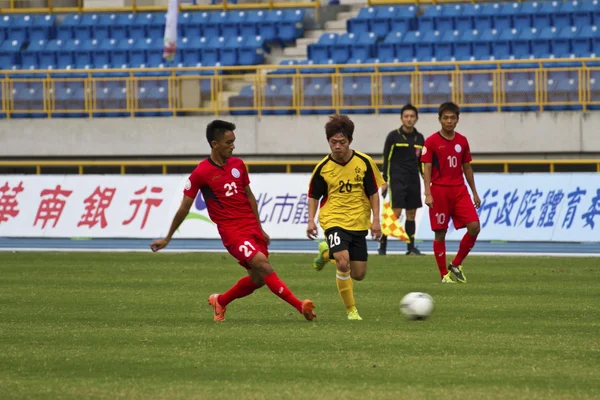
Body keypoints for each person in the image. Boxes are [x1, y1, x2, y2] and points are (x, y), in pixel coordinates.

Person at [150, 120, 316, 321]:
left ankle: (220, 301)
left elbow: (250, 196)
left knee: (258, 279)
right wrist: (168, 237)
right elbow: (184, 207)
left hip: (251, 228)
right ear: (214, 144)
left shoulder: (238, 165)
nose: (233, 146)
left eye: (234, 141)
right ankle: (301, 306)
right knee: (264, 267)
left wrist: (260, 227)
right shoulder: (201, 173)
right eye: (229, 142)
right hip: (232, 232)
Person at [307, 114, 385, 320]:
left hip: (358, 221)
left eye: (342, 142)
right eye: (333, 142)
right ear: (328, 142)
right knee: (343, 262)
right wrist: (310, 220)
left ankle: (326, 254)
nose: (337, 146)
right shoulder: (323, 168)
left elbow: (373, 193)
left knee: (358, 274)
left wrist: (376, 220)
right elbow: (314, 196)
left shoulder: (364, 162)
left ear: (350, 141)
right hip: (333, 219)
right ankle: (352, 311)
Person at [421, 102, 482, 284]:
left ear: (457, 119)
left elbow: (467, 167)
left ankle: (456, 264)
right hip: (439, 191)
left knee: (474, 226)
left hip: (460, 190)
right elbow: (427, 168)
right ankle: (443, 275)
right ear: (440, 120)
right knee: (440, 233)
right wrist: (428, 192)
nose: (449, 121)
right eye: (445, 118)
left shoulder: (462, 141)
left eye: (452, 118)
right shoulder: (431, 141)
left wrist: (475, 193)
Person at [378, 103, 426, 256]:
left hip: (414, 179)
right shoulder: (393, 136)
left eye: (412, 116)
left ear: (416, 119)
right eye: (406, 116)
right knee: (395, 213)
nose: (409, 119)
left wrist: (426, 179)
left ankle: (410, 247)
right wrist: (384, 180)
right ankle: (383, 245)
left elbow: (422, 162)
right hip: (397, 179)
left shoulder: (420, 138)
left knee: (411, 213)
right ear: (401, 118)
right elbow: (387, 158)